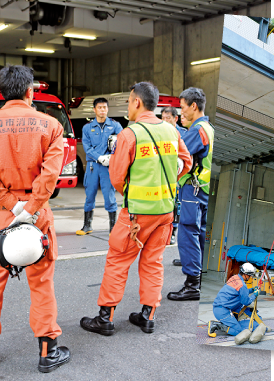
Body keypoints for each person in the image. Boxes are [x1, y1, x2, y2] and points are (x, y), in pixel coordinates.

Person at [0, 65, 70, 373]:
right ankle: (46, 350)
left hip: (0, 214)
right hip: (37, 215)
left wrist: (12, 206)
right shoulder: (51, 125)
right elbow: (51, 174)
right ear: (30, 92)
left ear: (1, 91)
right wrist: (29, 208)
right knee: (41, 283)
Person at [80, 82, 192, 336]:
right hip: (165, 212)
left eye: (129, 101)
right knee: (153, 263)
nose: (127, 107)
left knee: (118, 261)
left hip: (137, 214)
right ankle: (148, 316)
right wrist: (167, 184)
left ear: (137, 102)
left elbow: (117, 177)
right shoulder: (171, 131)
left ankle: (105, 318)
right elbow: (186, 162)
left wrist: (133, 191)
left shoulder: (130, 134)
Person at [167, 87, 214, 302]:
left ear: (194, 106)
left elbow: (179, 155)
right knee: (200, 234)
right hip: (202, 189)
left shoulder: (197, 130)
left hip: (192, 190)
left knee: (187, 233)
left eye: (183, 107)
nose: (180, 113)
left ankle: (192, 285)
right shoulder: (208, 127)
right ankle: (198, 279)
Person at [76, 97, 123, 235]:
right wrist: (100, 157)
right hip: (93, 166)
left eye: (105, 107)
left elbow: (122, 142)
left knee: (109, 197)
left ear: (107, 109)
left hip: (108, 167)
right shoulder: (87, 128)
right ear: (94, 109)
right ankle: (87, 225)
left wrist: (111, 157)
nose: (103, 110)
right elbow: (87, 147)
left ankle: (113, 227)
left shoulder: (115, 126)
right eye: (100, 107)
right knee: (89, 195)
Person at [207, 263, 267, 343]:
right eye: (250, 276)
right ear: (246, 274)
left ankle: (230, 321)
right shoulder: (242, 285)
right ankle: (217, 326)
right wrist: (255, 295)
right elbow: (246, 302)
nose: (250, 277)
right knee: (238, 331)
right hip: (223, 311)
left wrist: (252, 290)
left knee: (241, 308)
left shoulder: (234, 278)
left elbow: (240, 292)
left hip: (219, 308)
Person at [160, 106, 186, 250]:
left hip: (178, 176)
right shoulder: (159, 134)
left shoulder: (183, 134)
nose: (164, 121)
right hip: (163, 176)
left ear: (175, 119)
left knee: (176, 205)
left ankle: (173, 232)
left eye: (168, 118)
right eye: (162, 118)